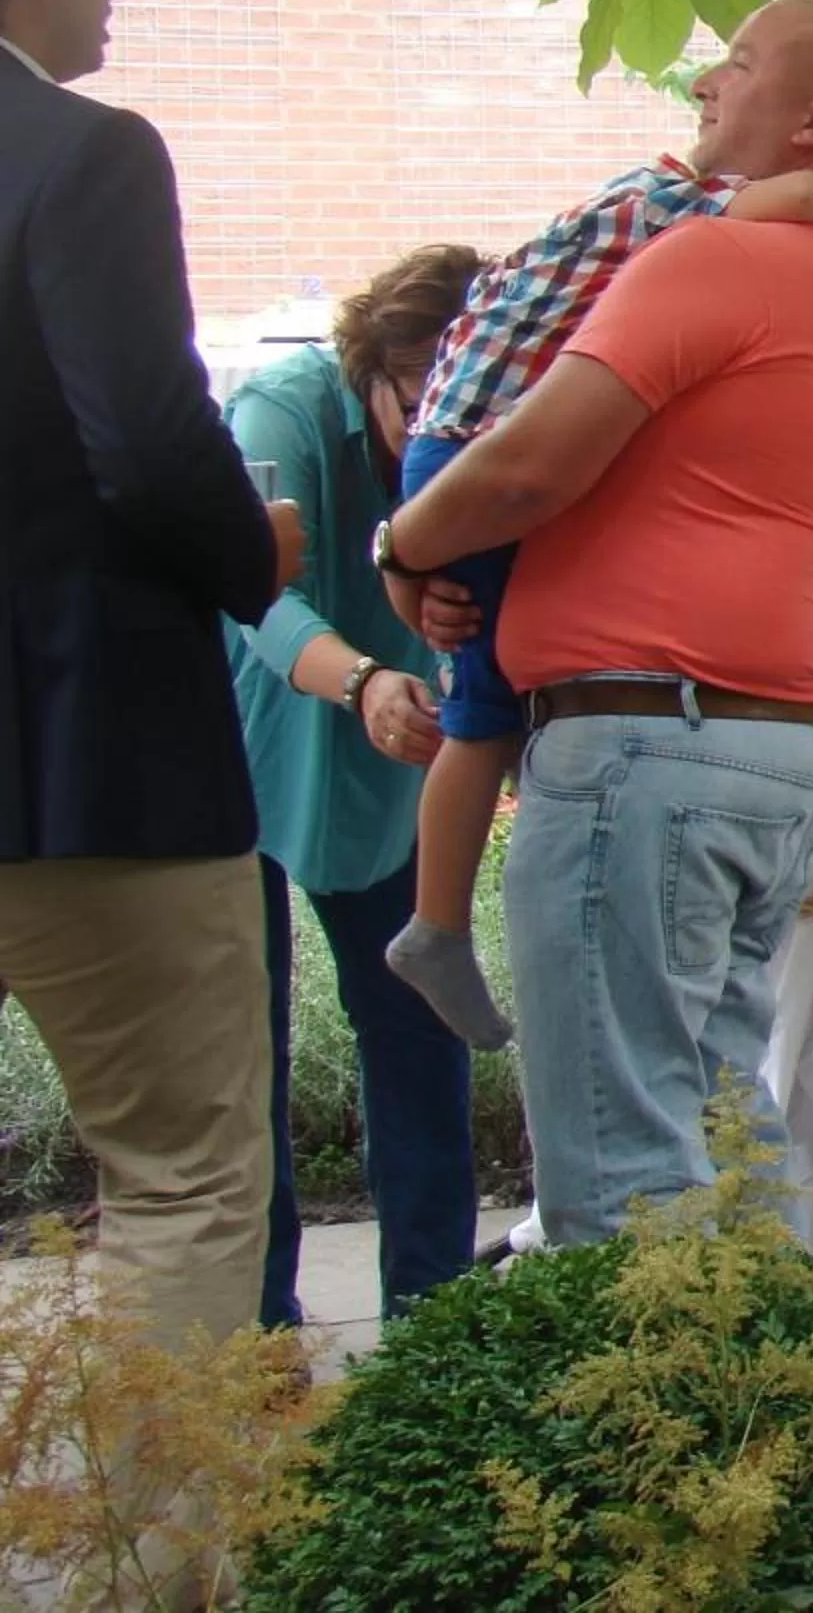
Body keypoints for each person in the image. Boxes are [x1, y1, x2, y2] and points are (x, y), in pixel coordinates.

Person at [376, 0, 813, 1243]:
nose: (710, 81)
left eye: (742, 63)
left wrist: (400, 545)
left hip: (644, 750)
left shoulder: (713, 257)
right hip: (766, 746)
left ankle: (658, 1432)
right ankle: (786, 1421)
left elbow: (523, 469)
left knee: (623, 1183)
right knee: (732, 1147)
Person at [0, 0, 305, 1356]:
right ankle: (155, 1571)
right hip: (85, 750)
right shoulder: (85, 156)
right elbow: (146, 440)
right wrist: (256, 554)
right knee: (184, 1170)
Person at [226, 244, 487, 1324]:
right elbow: (255, 594)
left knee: (416, 1024)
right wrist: (368, 680)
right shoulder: (279, 410)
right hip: (249, 739)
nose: (435, 430)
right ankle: (260, 1331)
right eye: (417, 400)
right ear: (376, 363)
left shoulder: (489, 421)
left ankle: (433, 1321)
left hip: (393, 766)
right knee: (241, 1053)